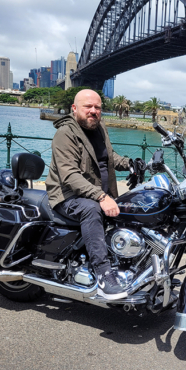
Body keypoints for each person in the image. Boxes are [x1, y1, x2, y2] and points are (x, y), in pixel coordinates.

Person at [46, 89, 131, 300]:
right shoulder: (65, 134)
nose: (93, 111)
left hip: (95, 192)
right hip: (67, 195)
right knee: (91, 209)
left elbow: (109, 158)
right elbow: (70, 176)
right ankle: (103, 275)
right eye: (88, 107)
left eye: (97, 107)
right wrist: (102, 197)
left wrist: (132, 164)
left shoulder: (100, 128)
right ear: (74, 109)